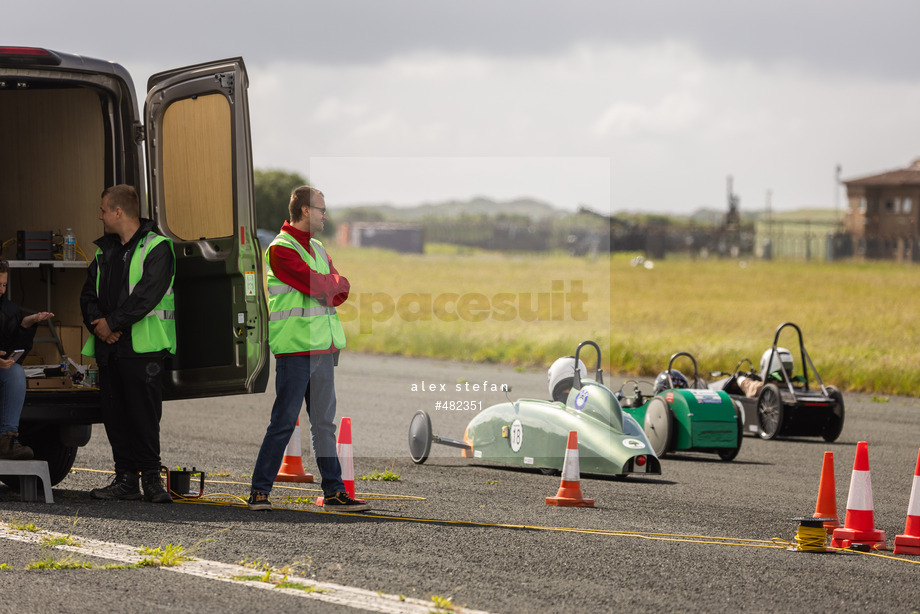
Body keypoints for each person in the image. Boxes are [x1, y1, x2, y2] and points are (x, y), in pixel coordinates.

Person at [249, 185, 368, 512]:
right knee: (284, 422)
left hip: (324, 350)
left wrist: (332, 284)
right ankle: (259, 491)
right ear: (303, 210)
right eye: (320, 209)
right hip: (297, 350)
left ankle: (334, 492)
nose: (325, 215)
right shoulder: (280, 249)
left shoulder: (316, 247)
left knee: (324, 425)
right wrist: (331, 284)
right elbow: (321, 285)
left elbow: (339, 290)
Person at [80, 185, 175, 503]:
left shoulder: (157, 247)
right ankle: (125, 480)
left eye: (104, 210)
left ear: (118, 212)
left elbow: (146, 296)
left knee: (143, 416)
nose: (101, 215)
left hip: (143, 348)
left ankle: (151, 480)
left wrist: (112, 323)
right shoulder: (102, 251)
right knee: (115, 414)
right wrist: (99, 326)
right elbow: (87, 295)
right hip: (110, 347)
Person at [0, 260, 54, 460]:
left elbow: (12, 352)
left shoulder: (8, 310)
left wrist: (25, 325)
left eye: (4, 284)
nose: (2, 290)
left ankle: (7, 439)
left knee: (14, 372)